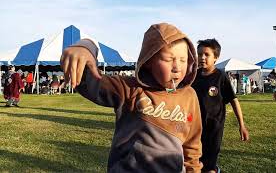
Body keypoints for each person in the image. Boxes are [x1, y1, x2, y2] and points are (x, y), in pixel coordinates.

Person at [60, 23, 203, 172]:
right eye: (168, 59)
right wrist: (86, 46)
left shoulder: (189, 96)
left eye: (183, 60)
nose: (177, 67)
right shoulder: (128, 89)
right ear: (148, 61)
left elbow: (192, 145)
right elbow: (88, 82)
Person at [192, 39, 249, 173]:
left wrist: (242, 125)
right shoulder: (193, 76)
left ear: (216, 57)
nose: (202, 58)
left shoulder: (220, 77)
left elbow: (234, 100)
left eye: (206, 54)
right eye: (199, 54)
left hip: (214, 127)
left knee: (209, 165)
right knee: (195, 162)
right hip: (194, 127)